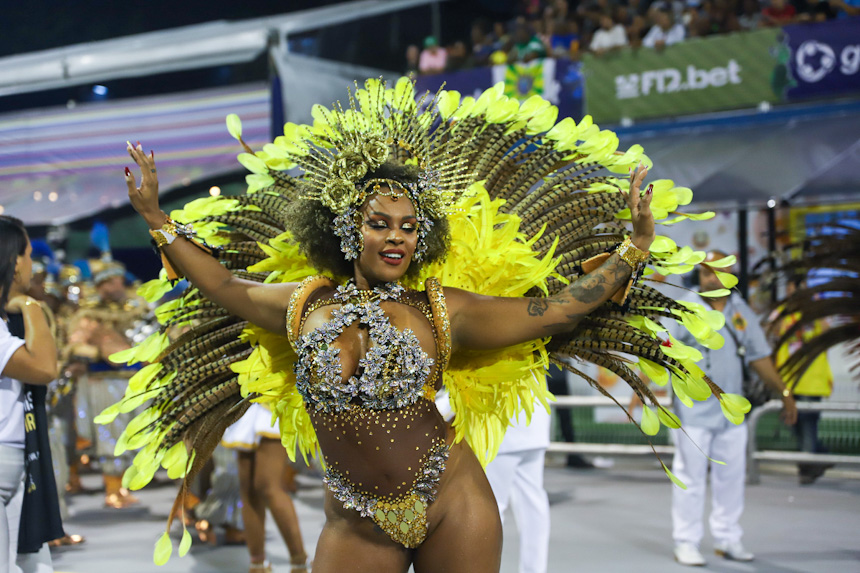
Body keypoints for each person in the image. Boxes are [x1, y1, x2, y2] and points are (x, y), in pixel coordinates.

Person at [114, 79, 744, 572]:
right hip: (355, 519)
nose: (395, 237)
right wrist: (155, 216)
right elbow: (224, 283)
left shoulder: (443, 310)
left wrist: (634, 249)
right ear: (344, 227)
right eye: (379, 223)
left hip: (453, 501)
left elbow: (556, 309)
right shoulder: (303, 303)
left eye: (409, 227)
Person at [666, 252, 797, 566]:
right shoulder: (686, 308)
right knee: (690, 477)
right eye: (707, 272)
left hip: (731, 413)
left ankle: (728, 539)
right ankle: (686, 541)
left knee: (731, 479)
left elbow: (759, 357)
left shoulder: (742, 312)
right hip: (693, 413)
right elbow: (664, 348)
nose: (713, 277)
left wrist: (785, 392)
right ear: (700, 275)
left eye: (720, 272)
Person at [0, 215, 62, 573]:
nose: (32, 264)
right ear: (12, 260)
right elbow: (44, 368)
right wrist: (29, 305)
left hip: (19, 460)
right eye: (27, 253)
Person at [221, 404, 310, 572]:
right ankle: (257, 564)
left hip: (275, 399)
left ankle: (300, 562)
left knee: (268, 486)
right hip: (245, 398)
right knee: (248, 489)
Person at [483, 384, 552, 573]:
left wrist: (443, 406)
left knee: (492, 506)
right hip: (534, 421)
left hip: (503, 425)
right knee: (533, 505)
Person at [774, 279, 834, 485]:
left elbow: (828, 332)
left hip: (812, 381)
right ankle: (822, 456)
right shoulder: (784, 314)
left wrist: (813, 307)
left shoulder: (816, 314)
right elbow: (771, 332)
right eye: (791, 293)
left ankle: (807, 469)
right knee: (794, 423)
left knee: (808, 424)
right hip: (788, 381)